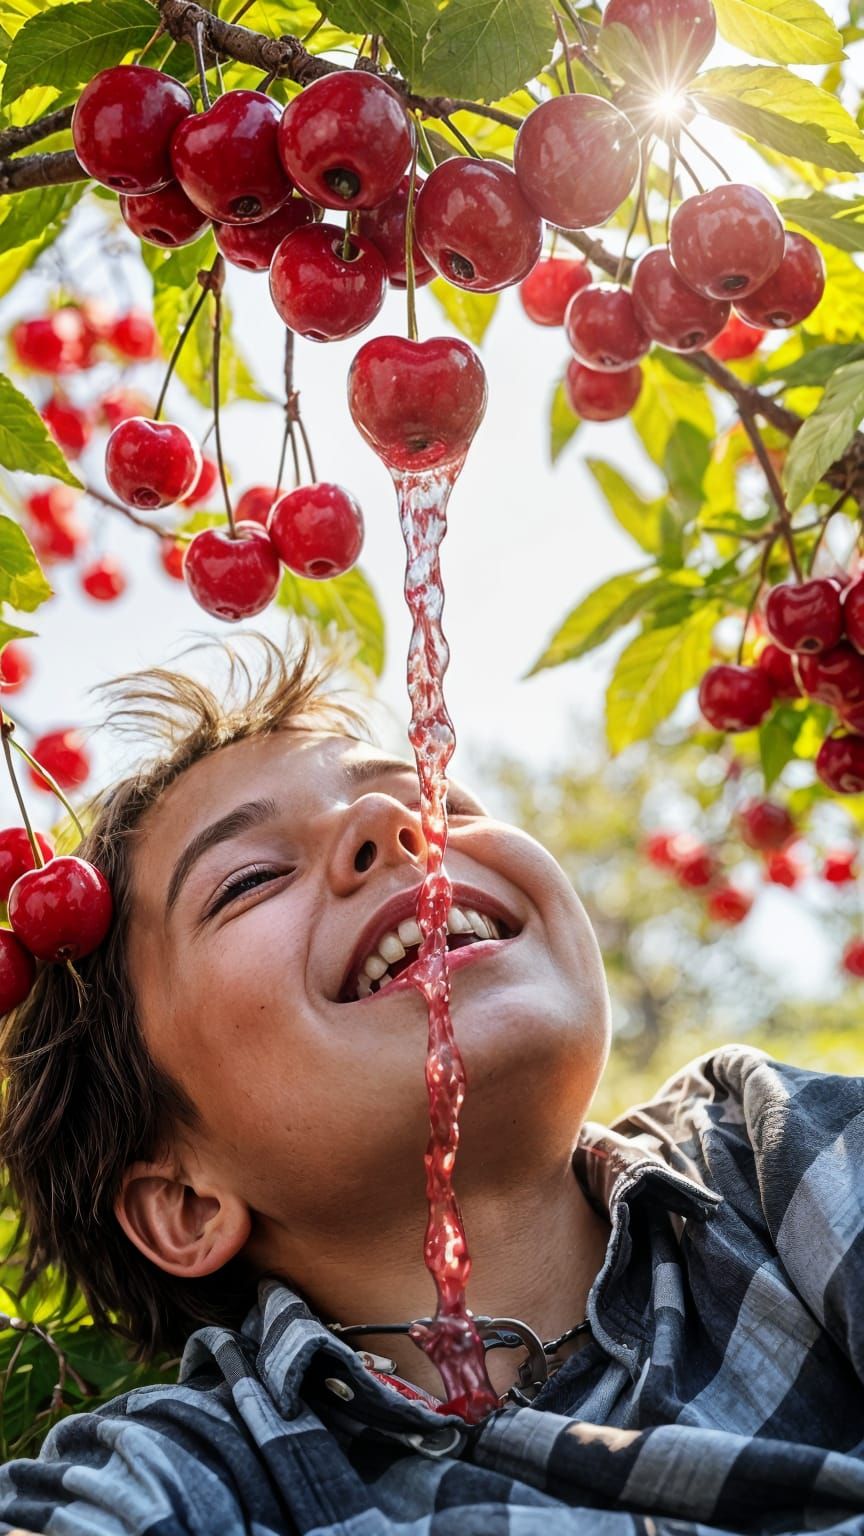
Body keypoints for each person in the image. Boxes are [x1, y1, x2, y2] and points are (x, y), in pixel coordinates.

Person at [0, 632, 861, 1536]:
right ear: (185, 1201)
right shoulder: (199, 1475)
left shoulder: (766, 1153)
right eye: (250, 879)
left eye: (436, 796)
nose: (392, 825)